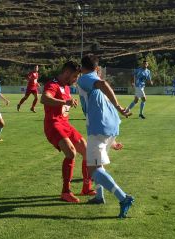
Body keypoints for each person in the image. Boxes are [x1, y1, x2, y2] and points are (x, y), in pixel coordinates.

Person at [77, 54, 134, 218]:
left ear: (82, 67)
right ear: (97, 68)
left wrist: (118, 105)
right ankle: (99, 196)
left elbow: (102, 84)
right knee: (98, 164)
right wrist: (113, 140)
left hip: (98, 127)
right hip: (111, 126)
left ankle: (123, 198)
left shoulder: (85, 79)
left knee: (92, 168)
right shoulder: (94, 78)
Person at [40, 61, 96, 203]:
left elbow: (65, 104)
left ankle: (86, 187)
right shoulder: (52, 84)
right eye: (75, 76)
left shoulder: (66, 87)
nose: (76, 79)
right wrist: (64, 102)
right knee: (71, 153)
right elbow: (44, 98)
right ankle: (65, 192)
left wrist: (69, 102)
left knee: (86, 150)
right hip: (53, 125)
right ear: (67, 73)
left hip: (65, 124)